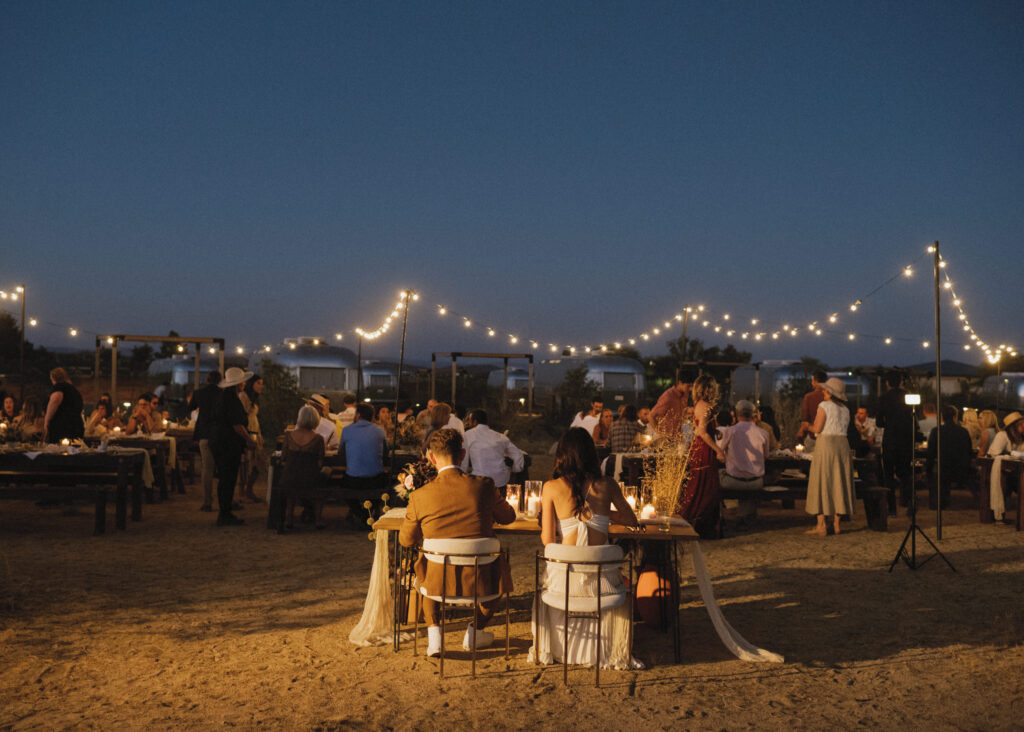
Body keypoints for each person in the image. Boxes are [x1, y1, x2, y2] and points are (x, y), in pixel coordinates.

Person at [399, 428, 515, 657]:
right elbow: (508, 517)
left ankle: (435, 638)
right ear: (462, 454)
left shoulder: (420, 496)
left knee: (425, 566)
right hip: (482, 577)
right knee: (500, 568)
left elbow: (406, 540)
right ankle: (475, 630)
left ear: (431, 458)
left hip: (436, 578)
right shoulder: (484, 485)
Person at [531, 427, 640, 668]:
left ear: (561, 454)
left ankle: (562, 647)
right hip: (602, 585)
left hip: (565, 585)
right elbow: (631, 520)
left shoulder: (551, 487)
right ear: (592, 454)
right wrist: (601, 515)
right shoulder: (608, 485)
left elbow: (548, 540)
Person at [675, 374, 724, 539]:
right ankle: (701, 525)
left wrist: (714, 430)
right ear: (709, 389)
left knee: (701, 485)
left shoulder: (699, 405)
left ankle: (700, 524)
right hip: (703, 450)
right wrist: (718, 449)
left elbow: (700, 428)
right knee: (706, 487)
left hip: (699, 448)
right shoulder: (705, 406)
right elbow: (701, 431)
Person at [805, 378, 854, 536]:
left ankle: (821, 525)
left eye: (825, 390)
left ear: (830, 393)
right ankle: (837, 524)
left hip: (826, 443)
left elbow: (818, 428)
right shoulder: (846, 409)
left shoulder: (824, 406)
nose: (823, 393)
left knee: (822, 479)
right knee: (839, 480)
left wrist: (808, 426)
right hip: (842, 444)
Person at [209, 367, 258, 526]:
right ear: (238, 384)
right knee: (228, 478)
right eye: (242, 381)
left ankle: (225, 511)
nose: (244, 384)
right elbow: (237, 425)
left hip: (219, 441)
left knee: (225, 478)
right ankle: (225, 513)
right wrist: (249, 440)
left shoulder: (222, 397)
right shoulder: (232, 400)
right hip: (227, 443)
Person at [717, 400, 769, 524]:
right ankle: (746, 513)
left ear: (736, 414)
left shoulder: (730, 431)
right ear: (753, 415)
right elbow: (766, 456)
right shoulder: (763, 433)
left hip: (733, 482)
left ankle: (720, 514)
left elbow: (719, 453)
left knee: (716, 475)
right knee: (748, 476)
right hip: (756, 482)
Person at [339, 402, 389, 528]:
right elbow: (386, 452)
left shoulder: (347, 430)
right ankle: (368, 514)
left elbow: (340, 453)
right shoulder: (380, 431)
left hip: (353, 480)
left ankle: (361, 514)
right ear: (372, 416)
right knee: (384, 481)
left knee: (341, 485)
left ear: (358, 415)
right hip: (375, 479)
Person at [280, 405, 327, 530]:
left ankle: (289, 517)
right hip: (310, 478)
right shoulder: (318, 439)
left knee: (291, 490)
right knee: (322, 484)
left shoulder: (289, 436)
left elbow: (283, 458)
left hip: (290, 477)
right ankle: (318, 519)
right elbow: (320, 462)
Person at [460, 409, 525, 496]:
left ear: (475, 422)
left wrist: (461, 478)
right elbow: (518, 455)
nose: (468, 424)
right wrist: (515, 471)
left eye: (470, 421)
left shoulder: (467, 435)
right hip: (501, 481)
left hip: (480, 482)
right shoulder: (500, 436)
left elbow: (463, 460)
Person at [876, 372, 914, 515]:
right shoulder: (908, 396)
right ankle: (910, 504)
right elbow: (912, 418)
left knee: (889, 475)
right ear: (900, 382)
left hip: (890, 439)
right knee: (905, 474)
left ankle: (892, 508)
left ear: (887, 383)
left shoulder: (883, 399)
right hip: (905, 439)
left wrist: (889, 423)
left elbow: (879, 423)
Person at [925, 405, 974, 509]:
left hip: (943, 469)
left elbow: (931, 453)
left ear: (942, 417)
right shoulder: (963, 432)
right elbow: (969, 452)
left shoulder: (936, 431)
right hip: (960, 469)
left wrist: (926, 468)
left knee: (933, 469)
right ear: (955, 416)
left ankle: (936, 503)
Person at [187, 371, 221, 512]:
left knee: (207, 468)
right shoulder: (222, 393)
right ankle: (225, 500)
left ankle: (207, 501)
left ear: (207, 380)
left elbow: (190, 408)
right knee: (223, 469)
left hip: (205, 433)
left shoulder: (199, 393)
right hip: (220, 433)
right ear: (219, 380)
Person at [238, 375, 264, 503]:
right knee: (245, 463)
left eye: (261, 383)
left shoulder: (253, 398)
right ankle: (243, 491)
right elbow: (241, 417)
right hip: (247, 432)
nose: (261, 386)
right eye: (258, 383)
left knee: (256, 463)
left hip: (255, 431)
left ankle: (248, 489)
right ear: (252, 384)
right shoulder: (243, 397)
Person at [43, 367, 84, 443]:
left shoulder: (59, 388)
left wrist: (46, 421)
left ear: (53, 378)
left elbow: (54, 402)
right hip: (76, 426)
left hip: (62, 427)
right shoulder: (73, 390)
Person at [796, 371, 827, 447]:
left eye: (812, 381)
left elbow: (805, 419)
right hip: (828, 437)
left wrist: (801, 432)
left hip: (813, 436)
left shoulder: (809, 397)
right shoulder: (831, 398)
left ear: (815, 381)